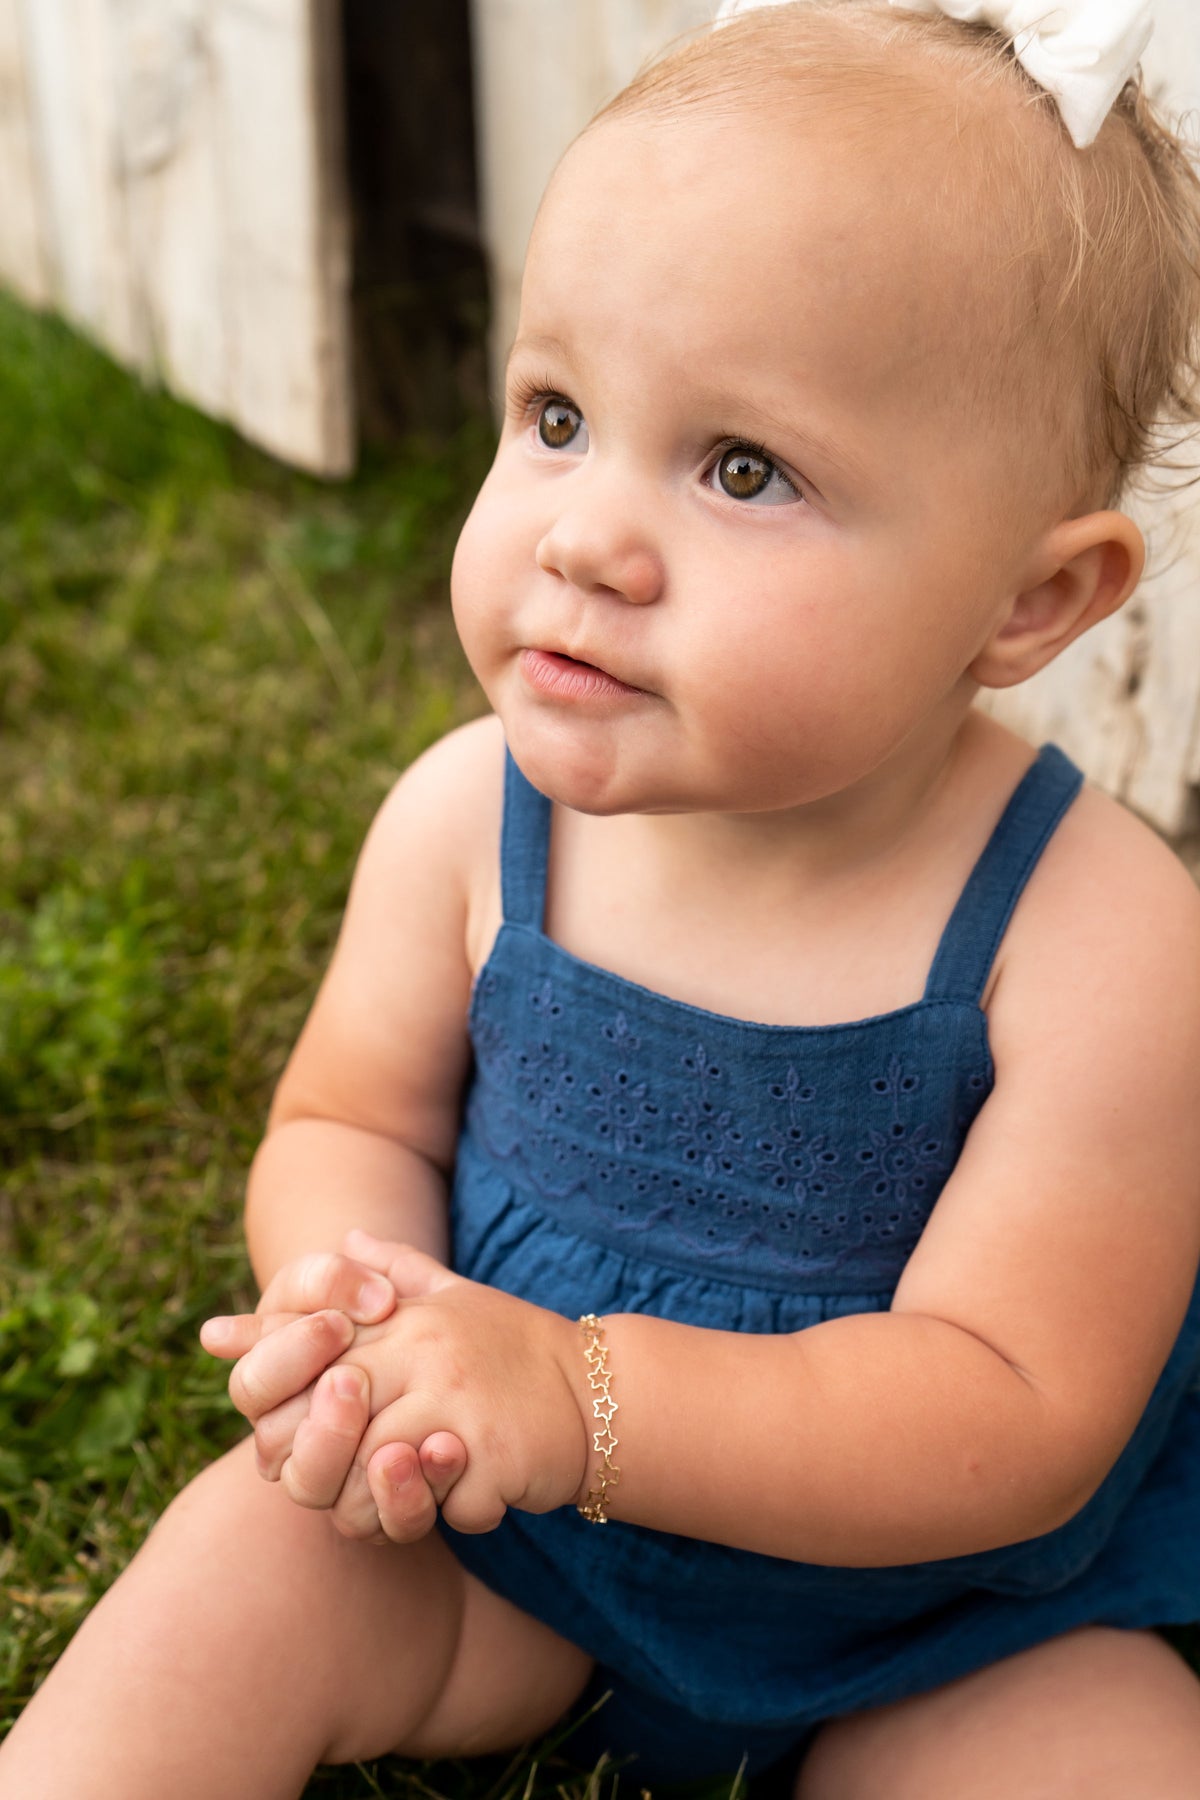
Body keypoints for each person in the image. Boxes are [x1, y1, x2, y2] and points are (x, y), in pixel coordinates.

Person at [5, 1, 1200, 1793]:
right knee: (237, 1581)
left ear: (1029, 604)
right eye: (557, 414)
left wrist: (586, 1397)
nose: (579, 535)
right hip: (503, 1558)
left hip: (941, 1626)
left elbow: (1015, 1411)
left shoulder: (1093, 937)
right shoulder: (462, 826)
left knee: (1095, 1755)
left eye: (742, 470)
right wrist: (353, 1303)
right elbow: (349, 1113)